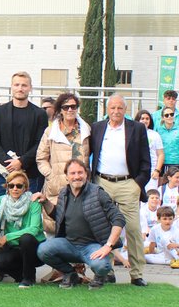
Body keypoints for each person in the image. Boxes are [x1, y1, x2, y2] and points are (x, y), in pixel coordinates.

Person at [89, 95, 151, 286]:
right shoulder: (97, 127)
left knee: (132, 228)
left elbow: (146, 160)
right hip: (102, 182)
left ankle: (137, 273)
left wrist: (137, 184)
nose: (116, 111)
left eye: (120, 108)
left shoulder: (137, 128)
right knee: (103, 228)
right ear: (107, 109)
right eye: (112, 108)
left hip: (127, 184)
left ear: (125, 110)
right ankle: (106, 270)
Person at [38, 159, 125, 289]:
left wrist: (108, 245)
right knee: (43, 250)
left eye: (80, 172)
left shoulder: (98, 193)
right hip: (69, 244)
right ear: (67, 176)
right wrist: (45, 201)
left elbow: (119, 218)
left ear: (86, 175)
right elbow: (58, 215)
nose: (76, 176)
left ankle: (99, 277)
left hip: (92, 246)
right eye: (72, 173)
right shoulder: (64, 193)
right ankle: (70, 274)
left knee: (103, 266)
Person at [0, 71, 49, 196]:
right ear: (11, 87)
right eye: (16, 85)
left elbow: (41, 143)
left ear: (30, 88)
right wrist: (9, 163)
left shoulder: (39, 114)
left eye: (24, 85)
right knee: (3, 211)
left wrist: (21, 162)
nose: (20, 88)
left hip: (29, 174)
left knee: (28, 212)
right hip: (3, 174)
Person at [36, 92, 90, 231]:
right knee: (54, 227)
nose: (70, 110)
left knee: (79, 227)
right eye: (66, 107)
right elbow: (41, 158)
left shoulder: (86, 130)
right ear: (60, 110)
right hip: (56, 186)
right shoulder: (50, 131)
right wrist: (51, 175)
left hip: (81, 185)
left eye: (73, 106)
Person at [0, 169, 44, 288]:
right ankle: (22, 276)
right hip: (15, 247)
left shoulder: (33, 201)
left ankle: (28, 278)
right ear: (7, 188)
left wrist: (8, 237)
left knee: (26, 238)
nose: (15, 188)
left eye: (19, 186)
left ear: (25, 187)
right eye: (11, 185)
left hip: (35, 248)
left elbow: (34, 229)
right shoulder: (3, 200)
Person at [135, 109, 165, 191]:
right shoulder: (133, 134)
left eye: (147, 119)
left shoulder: (155, 135)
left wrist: (157, 170)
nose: (145, 121)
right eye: (142, 118)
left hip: (151, 172)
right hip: (136, 172)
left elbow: (161, 154)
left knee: (150, 195)